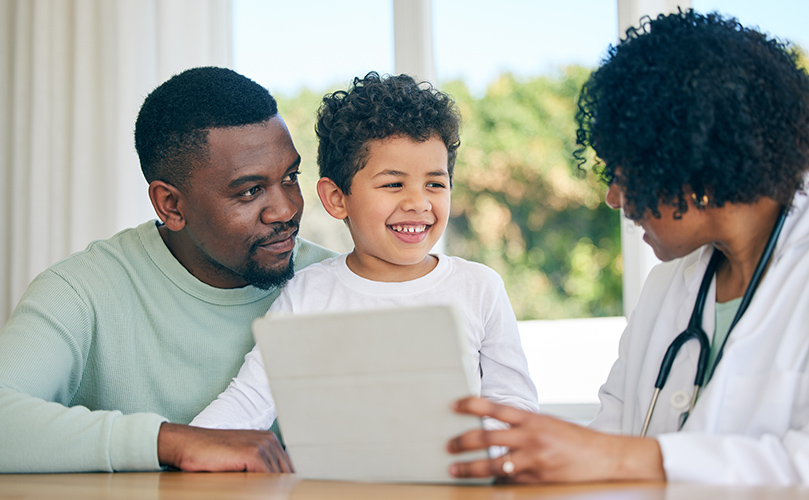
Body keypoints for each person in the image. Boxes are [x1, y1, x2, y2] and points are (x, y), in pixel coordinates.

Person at [445, 9, 809, 485]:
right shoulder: (667, 288)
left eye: (621, 174)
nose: (613, 197)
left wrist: (629, 459)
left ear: (689, 164)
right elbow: (611, 438)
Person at [0, 67, 336, 473]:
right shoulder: (82, 289)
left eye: (290, 177)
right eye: (249, 191)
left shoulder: (332, 282)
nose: (285, 210)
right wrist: (173, 442)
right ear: (171, 206)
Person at [190, 72, 539, 433]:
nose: (418, 203)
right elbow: (250, 401)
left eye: (435, 184)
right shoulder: (308, 293)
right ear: (337, 199)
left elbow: (514, 405)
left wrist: (485, 455)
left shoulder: (479, 287)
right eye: (393, 184)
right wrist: (189, 448)